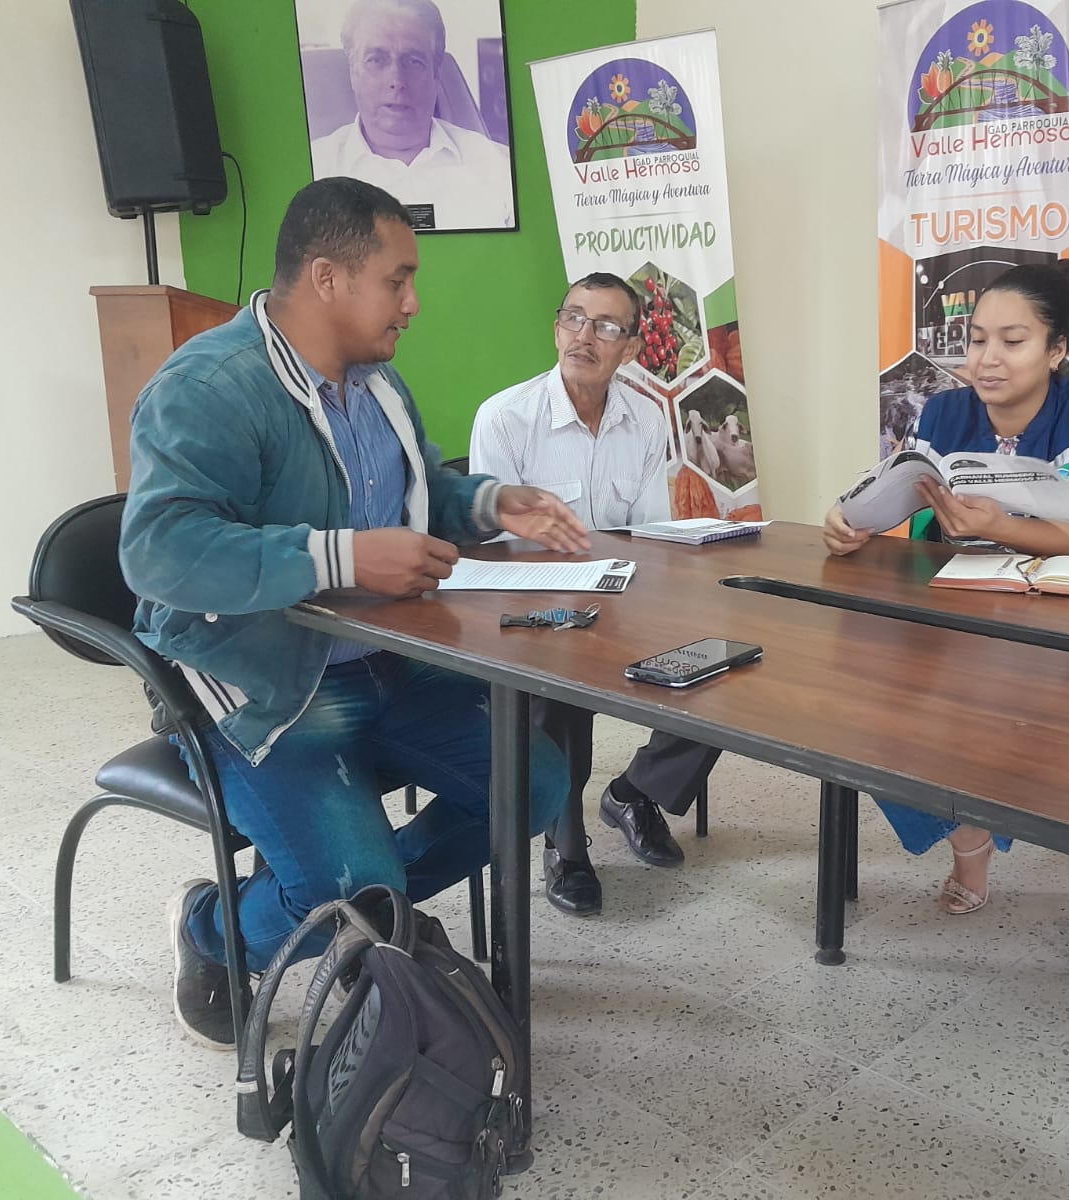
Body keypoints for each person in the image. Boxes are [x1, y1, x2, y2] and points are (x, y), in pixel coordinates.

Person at [120, 177, 590, 1047]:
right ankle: (213, 931)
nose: (414, 303)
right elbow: (158, 550)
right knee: (342, 887)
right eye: (397, 279)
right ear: (327, 277)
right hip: (261, 678)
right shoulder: (209, 387)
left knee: (535, 786)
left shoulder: (377, 384)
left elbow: (414, 494)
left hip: (382, 657)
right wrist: (339, 556)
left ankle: (376, 911)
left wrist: (491, 503)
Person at [822, 259, 1069, 915]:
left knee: (984, 705)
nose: (987, 359)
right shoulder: (944, 411)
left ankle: (986, 810)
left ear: (1056, 349)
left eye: (1012, 341)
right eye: (976, 340)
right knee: (860, 700)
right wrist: (849, 522)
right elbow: (898, 489)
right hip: (958, 605)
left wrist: (1003, 527)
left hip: (1060, 619)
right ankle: (969, 833)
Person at [470, 273, 721, 917]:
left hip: (622, 594)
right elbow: (497, 546)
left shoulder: (646, 419)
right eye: (574, 319)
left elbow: (649, 533)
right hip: (535, 605)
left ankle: (636, 792)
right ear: (557, 328)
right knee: (559, 676)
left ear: (632, 348)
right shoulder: (506, 418)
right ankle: (565, 842)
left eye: (606, 326)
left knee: (723, 662)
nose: (584, 336)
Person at [309, 0, 516, 231]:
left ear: (436, 76)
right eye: (376, 60)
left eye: (413, 61)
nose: (396, 80)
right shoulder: (314, 170)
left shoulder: (501, 168)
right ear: (353, 73)